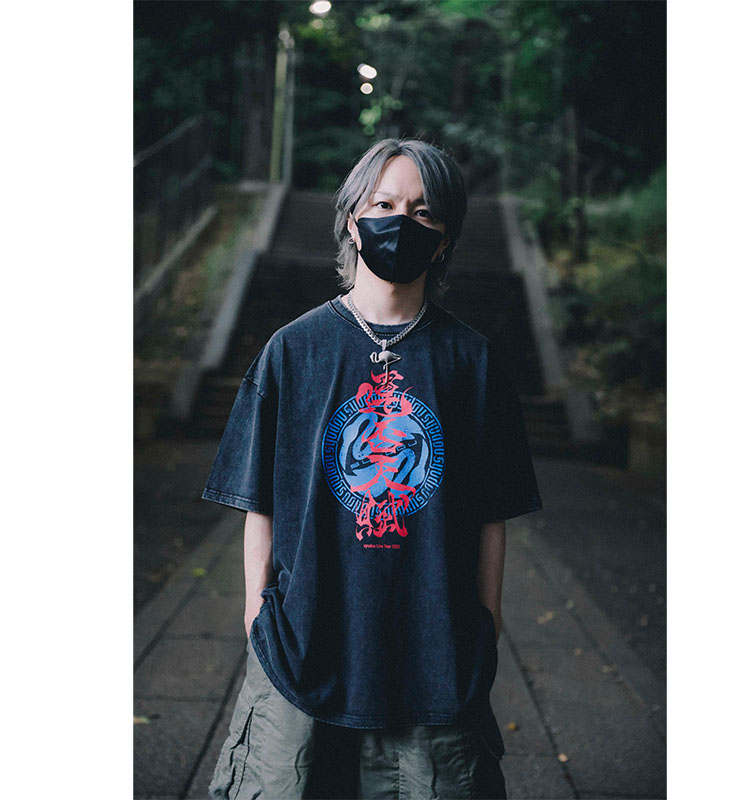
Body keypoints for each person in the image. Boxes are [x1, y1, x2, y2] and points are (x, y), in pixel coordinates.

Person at [203, 138, 543, 799]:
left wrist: (485, 622)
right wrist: (256, 614)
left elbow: (491, 515)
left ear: (444, 241)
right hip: (304, 641)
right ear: (352, 221)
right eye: (384, 205)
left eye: (423, 212)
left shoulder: (472, 363)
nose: (400, 222)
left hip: (435, 649)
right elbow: (258, 500)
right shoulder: (292, 351)